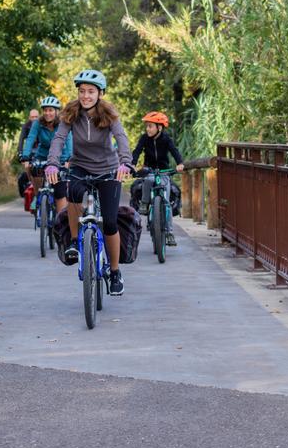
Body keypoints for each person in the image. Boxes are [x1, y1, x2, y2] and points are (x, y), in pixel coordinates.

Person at [46, 69, 132, 296]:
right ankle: (75, 241)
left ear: (100, 93)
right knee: (73, 191)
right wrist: (52, 163)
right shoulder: (71, 112)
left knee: (111, 222)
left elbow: (121, 138)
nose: (86, 96)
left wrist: (125, 163)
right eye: (82, 91)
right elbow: (59, 138)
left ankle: (115, 272)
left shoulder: (109, 113)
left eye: (91, 92)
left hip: (108, 169)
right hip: (80, 167)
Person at [130, 111, 184, 246]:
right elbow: (137, 151)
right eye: (147, 126)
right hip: (149, 169)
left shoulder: (166, 139)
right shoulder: (144, 138)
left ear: (159, 128)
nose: (147, 129)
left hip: (164, 170)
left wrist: (180, 163)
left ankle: (170, 233)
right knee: (148, 180)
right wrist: (132, 164)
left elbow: (174, 151)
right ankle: (144, 203)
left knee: (166, 199)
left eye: (150, 126)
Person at [20, 96, 72, 214]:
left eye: (51, 110)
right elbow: (30, 139)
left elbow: (69, 140)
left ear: (56, 111)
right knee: (30, 167)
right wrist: (26, 156)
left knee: (60, 186)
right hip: (42, 155)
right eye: (45, 110)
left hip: (61, 157)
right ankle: (37, 193)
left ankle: (60, 220)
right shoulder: (38, 123)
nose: (48, 113)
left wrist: (70, 157)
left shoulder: (63, 123)